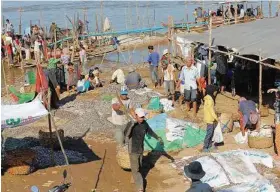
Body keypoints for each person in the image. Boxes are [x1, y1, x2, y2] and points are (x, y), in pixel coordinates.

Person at [125, 108, 163, 192]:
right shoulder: (132, 124)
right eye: (140, 117)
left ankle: (134, 178)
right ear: (136, 116)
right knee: (136, 169)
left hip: (140, 149)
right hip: (133, 150)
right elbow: (126, 134)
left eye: (143, 117)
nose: (142, 118)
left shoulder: (144, 124)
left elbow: (150, 131)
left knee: (139, 165)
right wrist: (132, 123)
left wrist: (157, 137)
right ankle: (140, 187)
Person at [203, 88, 219, 152]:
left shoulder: (208, 98)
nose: (215, 93)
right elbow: (211, 110)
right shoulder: (210, 99)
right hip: (210, 118)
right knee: (209, 133)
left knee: (211, 132)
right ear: (211, 91)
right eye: (215, 91)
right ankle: (205, 147)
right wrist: (216, 117)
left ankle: (209, 146)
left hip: (209, 118)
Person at [268, 87, 280, 160]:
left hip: (279, 122)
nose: (276, 94)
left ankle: (279, 155)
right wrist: (274, 90)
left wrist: (276, 123)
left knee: (277, 139)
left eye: (277, 93)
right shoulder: (278, 100)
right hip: (278, 121)